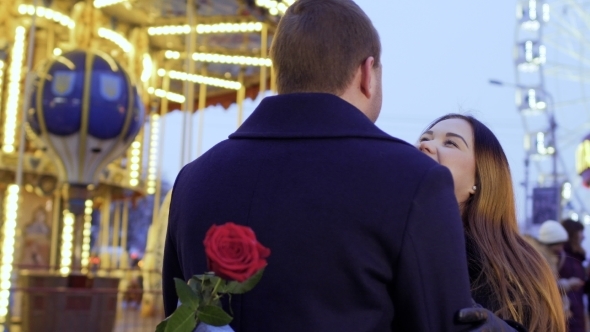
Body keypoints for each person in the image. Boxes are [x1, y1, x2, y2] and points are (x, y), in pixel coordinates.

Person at [164, 1, 512, 331]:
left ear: (280, 72)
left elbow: (178, 317)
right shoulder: (413, 181)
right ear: (367, 74)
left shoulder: (193, 180)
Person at [417, 114, 566, 331]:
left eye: (451, 142)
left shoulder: (521, 269)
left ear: (479, 178)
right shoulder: (382, 240)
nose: (425, 145)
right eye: (425, 138)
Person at [559, 219, 586, 332]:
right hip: (566, 314)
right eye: (580, 232)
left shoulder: (578, 257)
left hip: (577, 313)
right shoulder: (561, 257)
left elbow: (583, 287)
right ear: (572, 233)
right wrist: (569, 284)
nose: (583, 236)